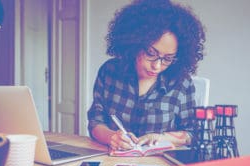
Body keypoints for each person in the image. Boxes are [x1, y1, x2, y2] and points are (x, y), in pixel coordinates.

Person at [87, 0, 205, 151]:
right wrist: (111, 137)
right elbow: (95, 121)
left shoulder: (181, 82)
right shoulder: (110, 71)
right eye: (151, 53)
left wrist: (162, 137)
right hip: (112, 160)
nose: (156, 66)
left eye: (167, 58)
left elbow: (193, 133)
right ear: (134, 43)